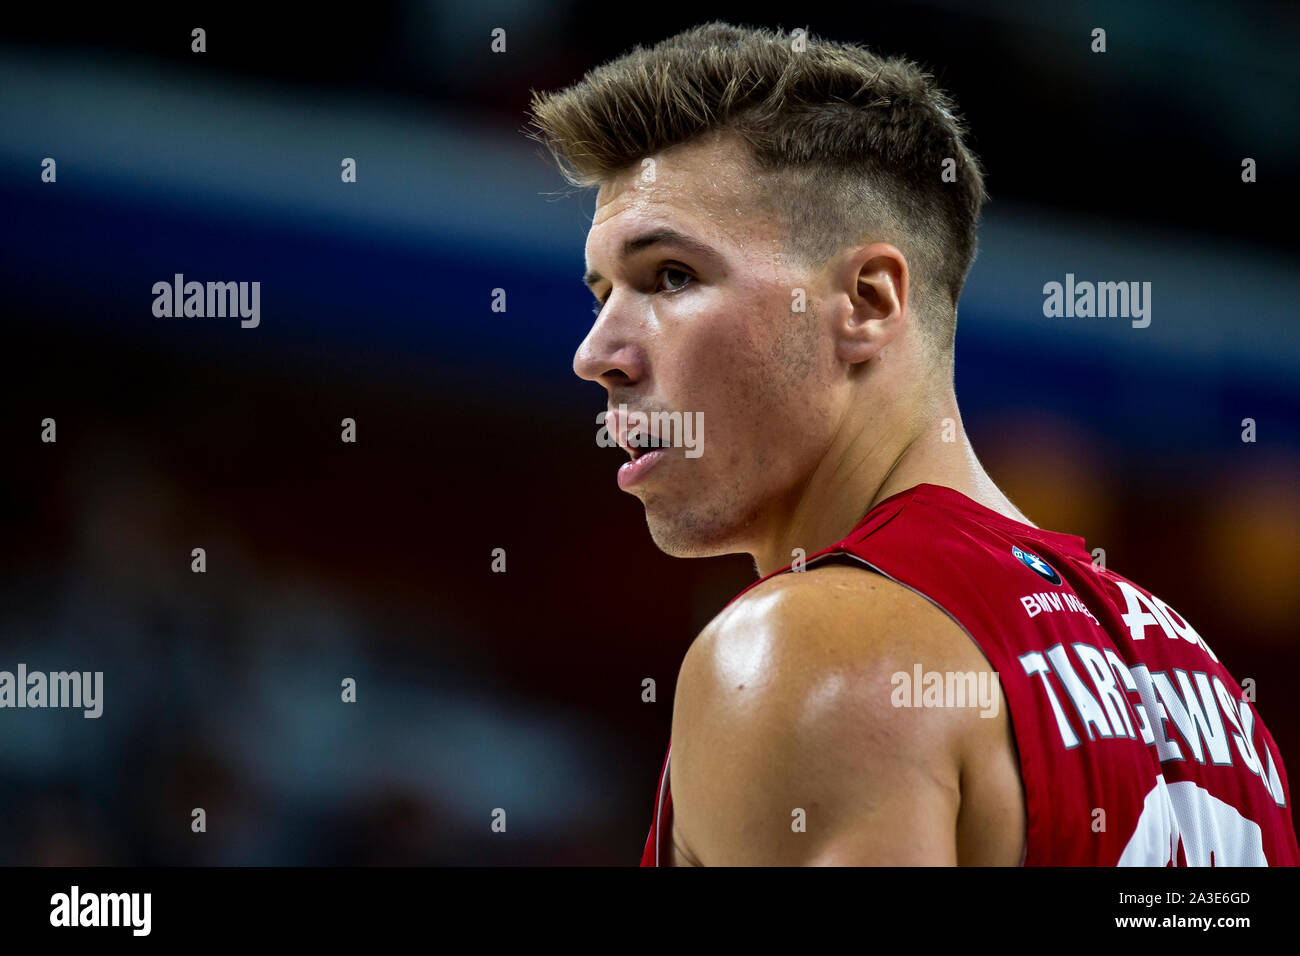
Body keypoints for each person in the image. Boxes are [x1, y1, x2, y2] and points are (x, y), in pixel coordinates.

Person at [527, 22, 1300, 865]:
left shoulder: (799, 655)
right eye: (602, 293)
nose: (596, 354)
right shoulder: (1212, 696)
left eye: (671, 276)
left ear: (866, 301)